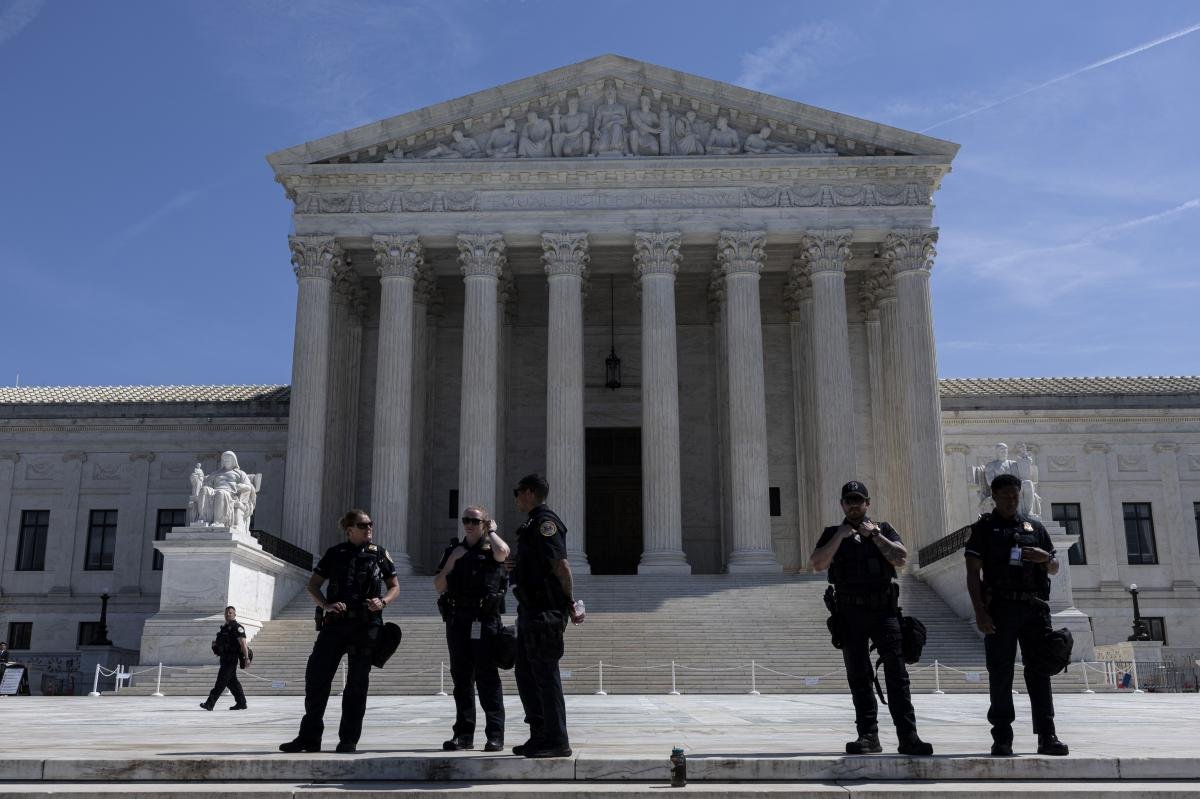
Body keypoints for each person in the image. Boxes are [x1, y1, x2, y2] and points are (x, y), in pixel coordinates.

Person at [810, 481, 933, 756]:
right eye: (849, 501)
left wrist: (875, 535)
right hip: (849, 613)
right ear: (842, 505)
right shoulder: (832, 533)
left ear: (867, 503)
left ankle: (909, 737)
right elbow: (817, 563)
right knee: (859, 676)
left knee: (897, 675)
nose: (854, 505)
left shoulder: (883, 529)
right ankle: (868, 736)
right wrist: (840, 536)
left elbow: (900, 558)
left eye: (859, 500)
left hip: (883, 612)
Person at [279, 509, 399, 754]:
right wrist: (325, 605)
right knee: (316, 679)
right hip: (335, 624)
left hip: (366, 625)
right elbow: (313, 585)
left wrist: (383, 601)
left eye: (370, 524)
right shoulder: (335, 553)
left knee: (357, 685)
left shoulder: (379, 554)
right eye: (363, 525)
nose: (369, 528)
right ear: (349, 529)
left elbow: (394, 586)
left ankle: (348, 739)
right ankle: (309, 737)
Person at [965, 473, 1069, 757]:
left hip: (1034, 607)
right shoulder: (984, 529)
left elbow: (1055, 566)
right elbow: (973, 574)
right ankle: (1002, 737)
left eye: (1015, 496)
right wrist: (980, 612)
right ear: (994, 498)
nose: (1011, 501)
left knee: (1040, 671)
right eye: (1005, 496)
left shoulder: (1034, 527)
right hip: (1000, 608)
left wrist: (1046, 558)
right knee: (1001, 673)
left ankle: (1047, 735)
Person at [509, 474, 585, 758]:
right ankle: (539, 735)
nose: (516, 498)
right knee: (526, 673)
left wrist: (569, 601)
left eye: (517, 492)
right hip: (530, 608)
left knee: (545, 674)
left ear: (529, 492)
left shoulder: (545, 523)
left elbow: (561, 566)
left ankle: (557, 740)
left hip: (545, 609)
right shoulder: (531, 524)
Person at [434, 505, 511, 752]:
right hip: (458, 619)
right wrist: (452, 561)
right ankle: (463, 735)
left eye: (475, 521)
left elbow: (504, 552)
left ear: (484, 524)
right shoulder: (453, 551)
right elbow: (439, 585)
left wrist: (492, 532)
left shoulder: (491, 549)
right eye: (466, 520)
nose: (468, 524)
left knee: (487, 677)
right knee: (461, 679)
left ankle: (495, 735)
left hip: (484, 620)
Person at [200, 606, 250, 711]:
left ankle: (209, 704)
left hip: (231, 659)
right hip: (224, 658)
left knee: (221, 682)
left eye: (230, 613)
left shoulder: (238, 628)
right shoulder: (224, 628)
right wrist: (216, 646)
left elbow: (243, 644)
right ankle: (241, 703)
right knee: (232, 682)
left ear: (235, 614)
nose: (228, 614)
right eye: (226, 613)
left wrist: (246, 658)